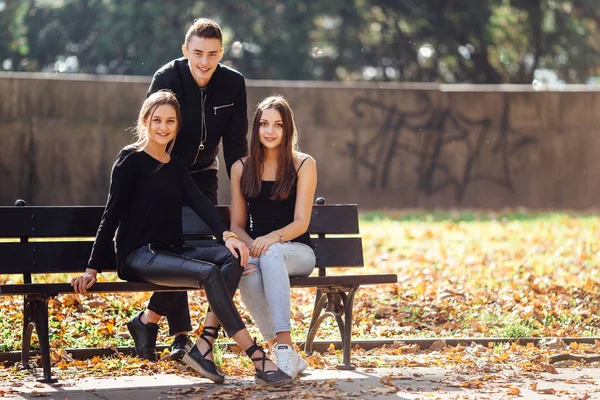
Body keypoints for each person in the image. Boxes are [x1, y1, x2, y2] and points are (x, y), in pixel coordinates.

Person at [71, 91, 291, 386]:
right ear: (145, 121)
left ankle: (203, 346)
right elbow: (111, 215)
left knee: (234, 255)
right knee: (208, 273)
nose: (163, 127)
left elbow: (201, 203)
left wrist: (228, 236)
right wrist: (92, 268)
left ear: (177, 126)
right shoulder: (130, 160)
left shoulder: (175, 166)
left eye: (170, 121)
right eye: (157, 120)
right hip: (138, 255)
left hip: (171, 252)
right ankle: (255, 355)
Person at [146, 17, 248, 361]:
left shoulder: (233, 84)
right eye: (198, 53)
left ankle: (152, 323)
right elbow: (153, 131)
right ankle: (178, 336)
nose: (205, 62)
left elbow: (236, 148)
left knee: (199, 249)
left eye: (213, 54)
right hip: (166, 170)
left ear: (222, 53)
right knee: (174, 247)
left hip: (205, 173)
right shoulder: (167, 78)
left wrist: (241, 201)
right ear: (185, 50)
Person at [229, 95, 318, 379]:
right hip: (261, 251)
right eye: (264, 124)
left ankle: (284, 346)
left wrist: (270, 239)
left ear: (287, 128)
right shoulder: (241, 168)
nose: (270, 131)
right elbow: (238, 225)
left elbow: (301, 223)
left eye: (277, 125)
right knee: (248, 272)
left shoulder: (303, 164)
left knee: (270, 255)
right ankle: (284, 353)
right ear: (256, 128)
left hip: (298, 252)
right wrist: (254, 246)